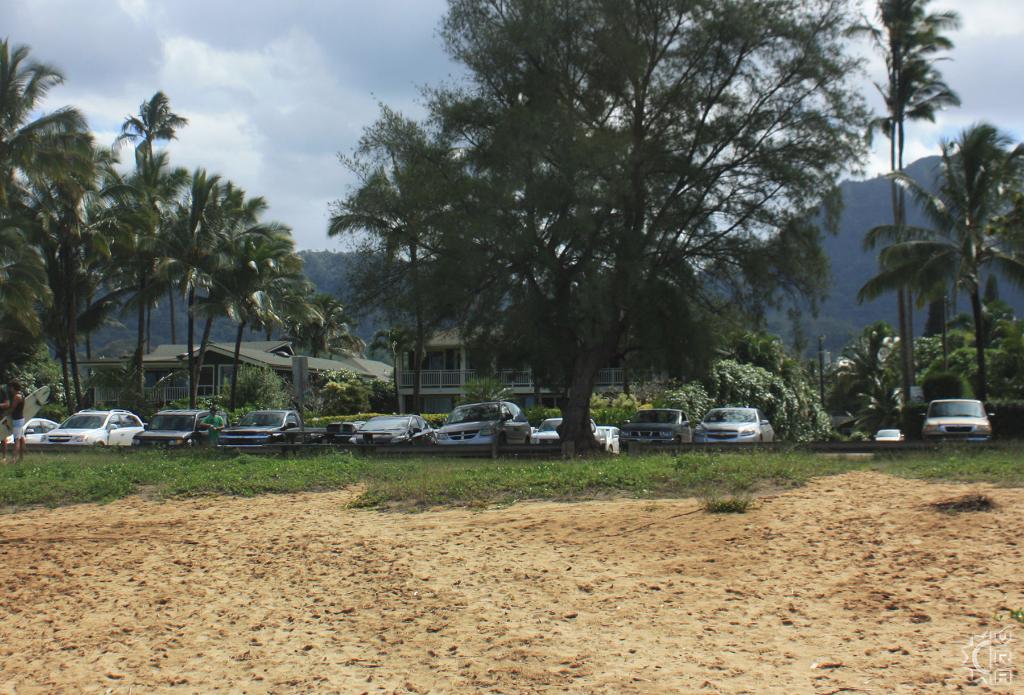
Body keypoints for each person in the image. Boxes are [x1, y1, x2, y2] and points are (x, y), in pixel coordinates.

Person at [1, 381, 26, 464]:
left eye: (11, 387)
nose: (10, 389)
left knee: (16, 439)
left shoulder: (17, 397)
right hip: (20, 418)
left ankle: (14, 459)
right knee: (21, 438)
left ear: (14, 387)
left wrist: (6, 414)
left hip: (17, 420)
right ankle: (21, 457)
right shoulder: (21, 394)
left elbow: (12, 408)